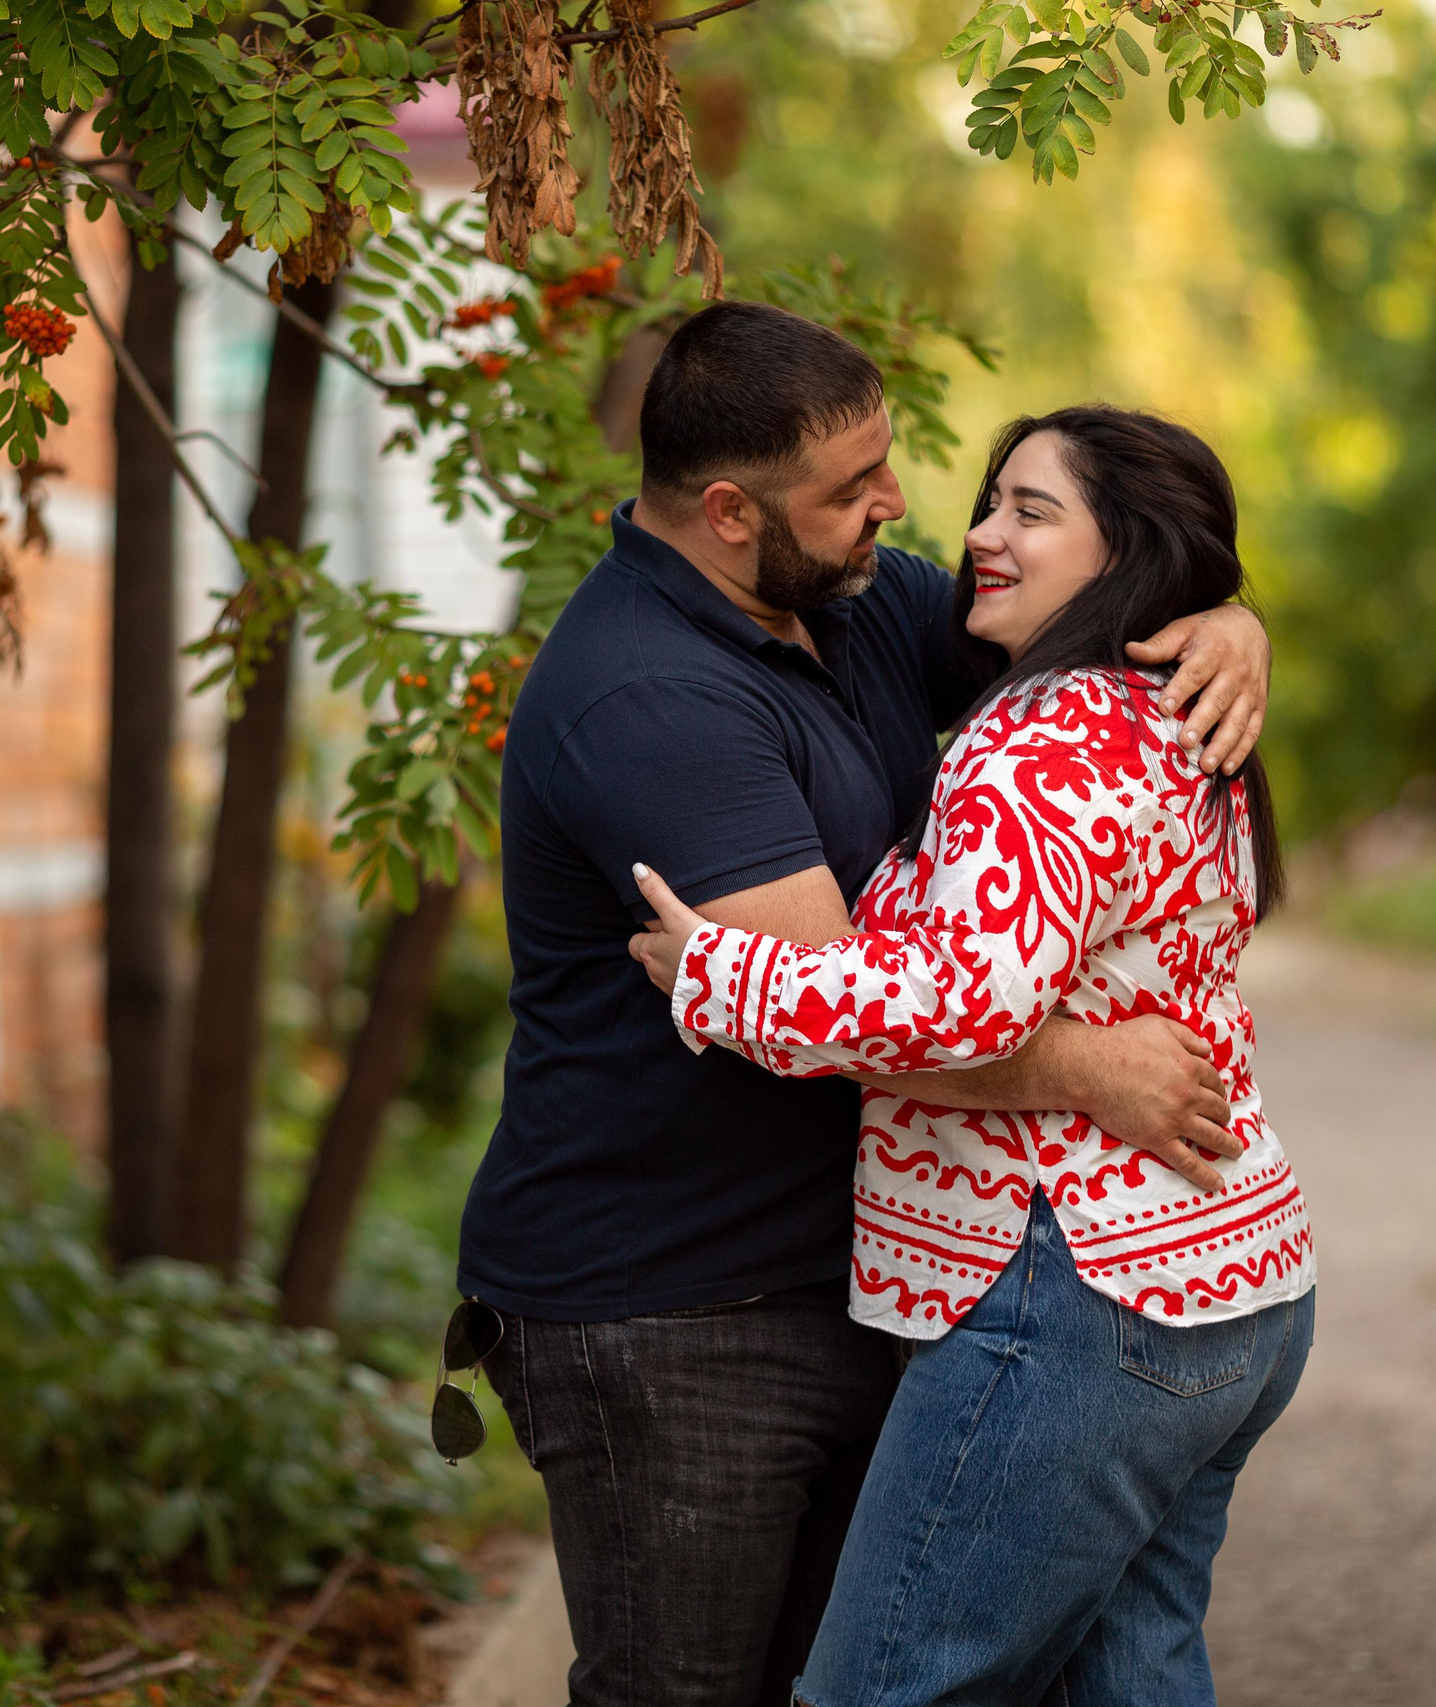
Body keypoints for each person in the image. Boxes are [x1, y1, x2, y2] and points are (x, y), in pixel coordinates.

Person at [455, 304, 1275, 1707]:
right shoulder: (651, 696)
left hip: (858, 1275)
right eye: (853, 488)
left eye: (887, 463)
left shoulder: (847, 594)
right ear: (730, 513)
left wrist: (1226, 619)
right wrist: (1093, 1070)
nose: (901, 507)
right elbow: (851, 1020)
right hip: (676, 1308)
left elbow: (1080, 625)